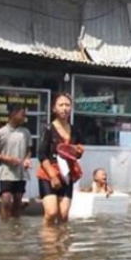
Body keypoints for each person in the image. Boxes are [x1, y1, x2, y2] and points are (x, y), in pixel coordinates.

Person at [37, 93, 84, 226]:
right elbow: (42, 155)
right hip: (48, 174)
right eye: (61, 105)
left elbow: (76, 153)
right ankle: (47, 238)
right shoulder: (48, 129)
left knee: (63, 215)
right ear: (54, 109)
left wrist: (79, 152)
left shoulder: (75, 130)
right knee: (51, 213)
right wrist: (53, 176)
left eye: (67, 105)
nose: (64, 108)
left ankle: (61, 239)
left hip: (67, 174)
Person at [0, 104, 33, 220]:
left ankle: (16, 225)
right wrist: (7, 159)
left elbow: (29, 150)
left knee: (18, 201)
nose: (24, 118)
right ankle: (4, 225)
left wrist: (27, 159)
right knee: (6, 200)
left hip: (21, 173)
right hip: (6, 172)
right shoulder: (0, 133)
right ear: (13, 114)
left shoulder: (25, 132)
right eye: (22, 115)